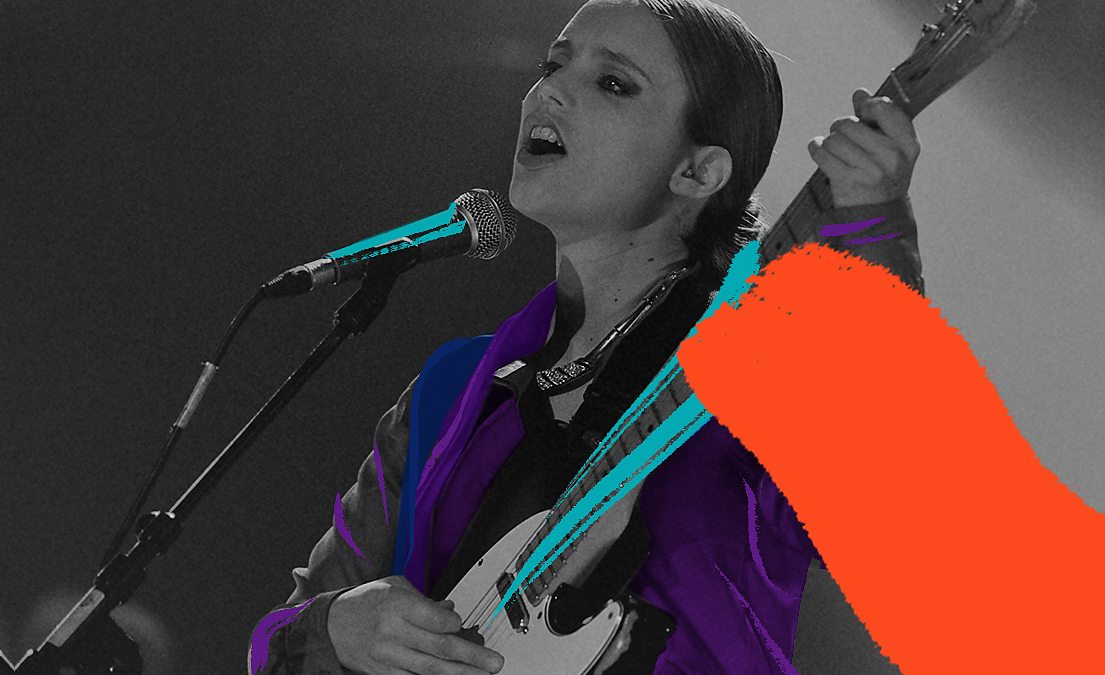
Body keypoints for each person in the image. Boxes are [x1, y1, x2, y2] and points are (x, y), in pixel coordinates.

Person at [249, 0, 923, 672]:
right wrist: (337, 626)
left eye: (614, 83)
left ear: (697, 172)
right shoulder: (452, 390)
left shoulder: (762, 363)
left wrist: (879, 233)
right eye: (552, 65)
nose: (548, 91)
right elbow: (280, 643)